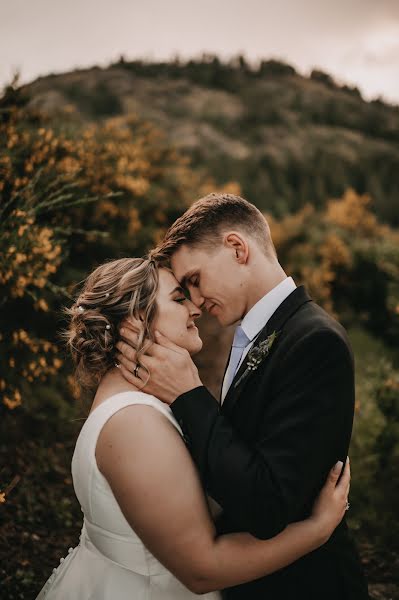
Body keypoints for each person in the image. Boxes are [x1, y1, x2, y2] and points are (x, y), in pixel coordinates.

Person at [37, 257, 350, 600]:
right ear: (135, 320)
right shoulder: (135, 424)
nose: (195, 308)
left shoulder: (136, 401)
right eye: (178, 298)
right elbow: (202, 570)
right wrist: (317, 530)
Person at [116, 193, 369, 600]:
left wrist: (188, 394)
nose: (196, 301)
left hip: (304, 586)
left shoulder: (315, 341)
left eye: (195, 280)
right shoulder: (253, 334)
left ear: (237, 248)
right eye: (185, 290)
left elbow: (267, 506)